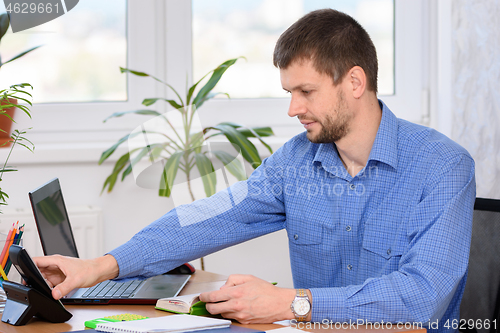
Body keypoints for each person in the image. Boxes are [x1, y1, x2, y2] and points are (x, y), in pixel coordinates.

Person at [34, 8, 475, 332]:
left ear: (355, 83)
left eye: (306, 91)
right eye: (289, 91)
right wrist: (101, 266)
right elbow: (205, 219)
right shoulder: (296, 162)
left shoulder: (441, 167)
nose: (293, 109)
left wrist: (290, 304)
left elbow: (421, 299)